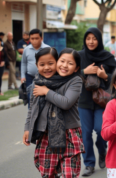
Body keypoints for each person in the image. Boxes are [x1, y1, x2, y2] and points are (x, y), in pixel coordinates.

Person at [23, 47, 85, 178]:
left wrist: (46, 92)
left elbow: (66, 103)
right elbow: (32, 108)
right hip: (46, 134)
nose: (64, 65)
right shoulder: (38, 82)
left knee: (70, 174)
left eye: (70, 63)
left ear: (76, 68)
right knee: (48, 173)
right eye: (62, 61)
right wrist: (27, 128)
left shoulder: (75, 80)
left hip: (69, 133)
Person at [78, 28, 116, 177]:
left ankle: (102, 151)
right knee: (85, 133)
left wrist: (105, 76)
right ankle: (88, 164)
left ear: (99, 40)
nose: (91, 42)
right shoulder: (79, 56)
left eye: (94, 38)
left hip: (102, 101)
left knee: (101, 130)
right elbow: (68, 72)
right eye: (88, 38)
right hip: (84, 100)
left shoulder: (107, 56)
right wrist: (84, 72)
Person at [21, 29, 50, 108]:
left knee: (43, 98)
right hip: (30, 77)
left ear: (41, 38)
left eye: (36, 38)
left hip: (44, 77)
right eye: (32, 38)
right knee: (31, 97)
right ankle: (31, 118)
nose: (34, 41)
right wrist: (22, 76)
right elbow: (23, 63)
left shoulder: (48, 49)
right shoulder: (26, 49)